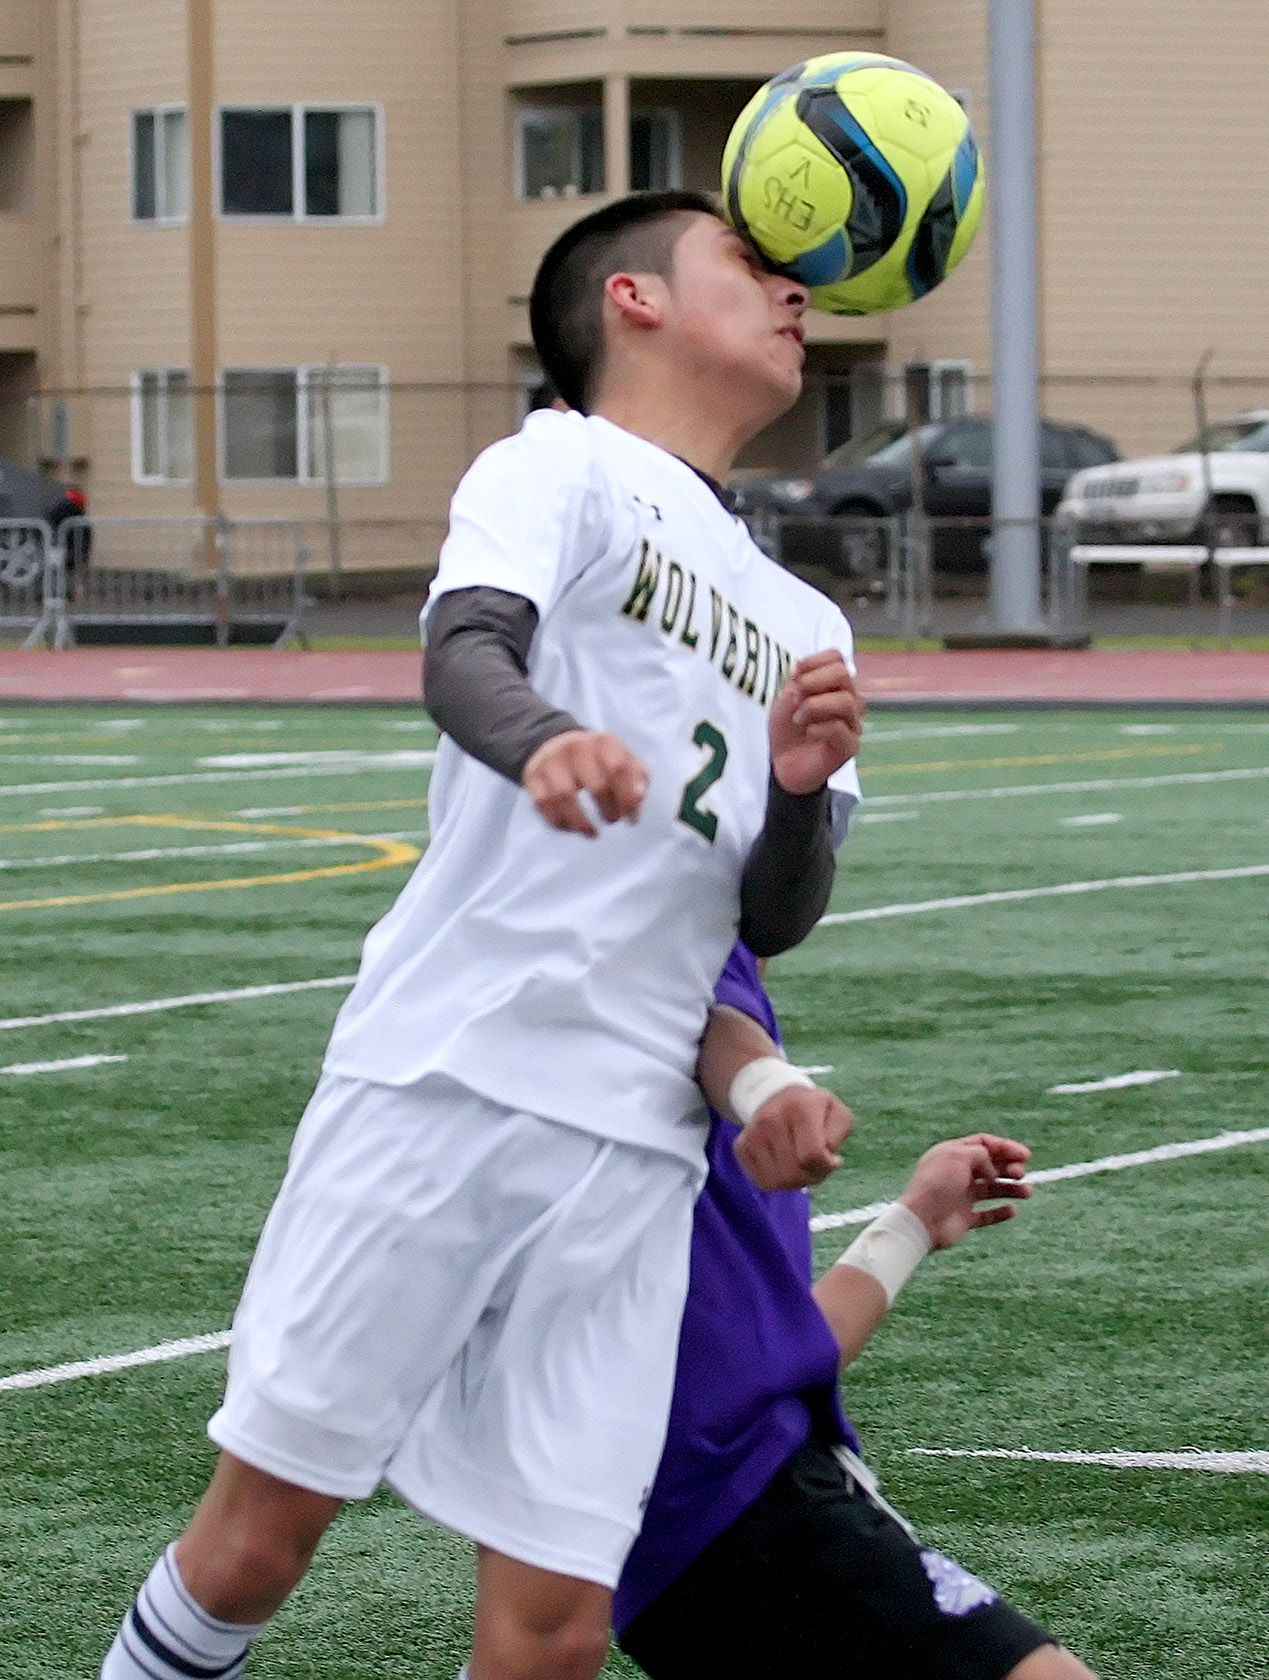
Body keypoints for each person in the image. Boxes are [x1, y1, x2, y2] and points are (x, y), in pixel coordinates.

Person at [97, 189, 867, 1680]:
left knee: (558, 1629)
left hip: (637, 1153)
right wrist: (544, 741)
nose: (796, 295)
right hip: (452, 1076)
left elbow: (779, 914)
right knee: (260, 1537)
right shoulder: (559, 461)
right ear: (632, 302)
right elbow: (463, 648)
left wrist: (789, 795)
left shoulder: (809, 615)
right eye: (750, 265)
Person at [613, 941, 1100, 1680]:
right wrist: (763, 1085)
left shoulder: (697, 998)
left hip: (720, 1524)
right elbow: (702, 1019)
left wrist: (907, 1228)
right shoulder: (647, 1001)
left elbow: (759, 1357)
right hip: (736, 1523)